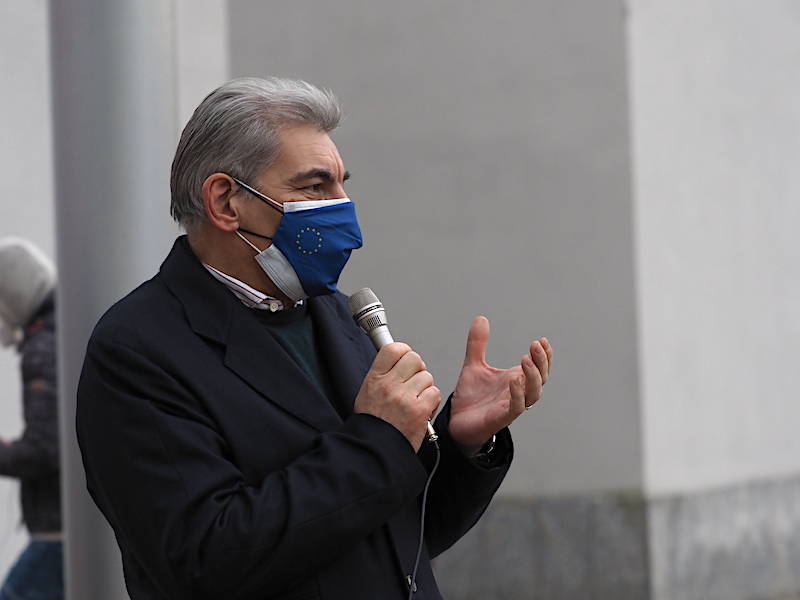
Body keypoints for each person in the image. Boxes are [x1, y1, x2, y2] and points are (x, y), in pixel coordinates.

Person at [76, 77, 553, 600]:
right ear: (225, 202)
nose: (342, 209)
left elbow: (399, 532)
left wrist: (463, 442)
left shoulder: (335, 316)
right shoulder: (139, 350)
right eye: (314, 186)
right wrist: (379, 438)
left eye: (342, 184)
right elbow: (202, 560)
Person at [0, 238, 62, 600]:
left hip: (59, 528)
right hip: (80, 520)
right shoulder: (66, 330)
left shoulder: (42, 348)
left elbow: (43, 451)